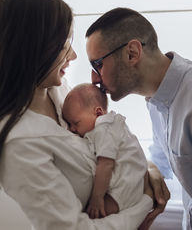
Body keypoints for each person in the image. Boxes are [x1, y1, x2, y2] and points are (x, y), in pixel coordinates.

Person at [0, 0, 153, 230]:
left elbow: (107, 137)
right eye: (64, 44)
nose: (74, 55)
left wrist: (149, 169)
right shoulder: (19, 142)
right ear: (34, 49)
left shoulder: (59, 91)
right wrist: (146, 202)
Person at [85, 6, 192, 229]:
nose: (94, 78)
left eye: (97, 64)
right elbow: (162, 160)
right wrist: (150, 167)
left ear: (132, 52)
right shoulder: (155, 102)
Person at [62, 83, 148, 219]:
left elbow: (106, 164)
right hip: (132, 183)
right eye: (69, 124)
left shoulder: (104, 128)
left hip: (125, 187)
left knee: (93, 215)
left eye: (76, 123)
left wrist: (97, 198)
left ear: (98, 113)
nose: (72, 129)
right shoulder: (108, 125)